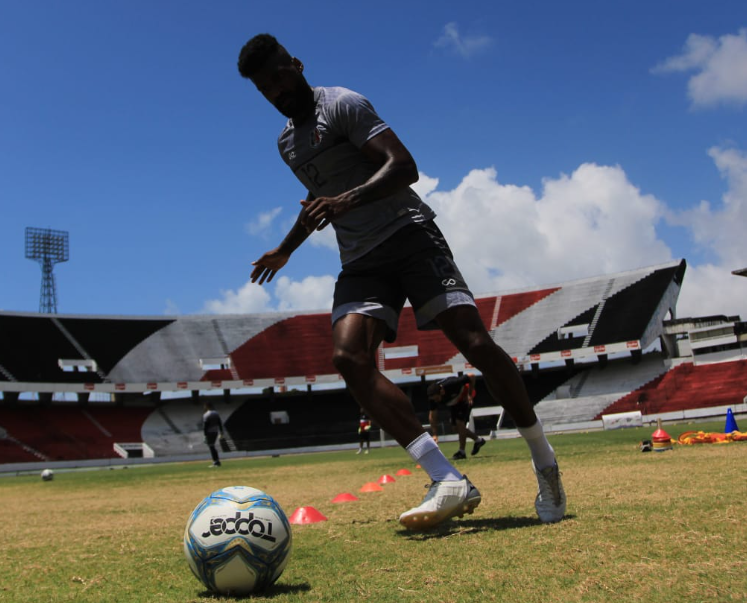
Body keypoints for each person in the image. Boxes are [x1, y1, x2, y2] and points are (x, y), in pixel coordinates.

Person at [238, 33, 566, 530]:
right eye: (265, 89)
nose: (277, 91)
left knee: (474, 343)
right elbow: (319, 201)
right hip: (362, 261)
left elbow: (404, 166)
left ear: (297, 64)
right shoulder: (287, 144)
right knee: (348, 357)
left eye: (280, 76)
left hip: (410, 236)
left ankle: (545, 461)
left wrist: (348, 200)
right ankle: (447, 478)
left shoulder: (343, 105)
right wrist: (286, 248)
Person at [428, 374, 485, 459]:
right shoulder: (433, 398)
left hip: (465, 398)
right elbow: (432, 416)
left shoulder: (452, 383)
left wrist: (469, 394)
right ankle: (478, 440)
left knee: (459, 423)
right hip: (454, 402)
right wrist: (435, 434)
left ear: (442, 392)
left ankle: (461, 452)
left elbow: (471, 376)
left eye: (437, 398)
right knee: (455, 428)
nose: (436, 401)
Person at [202, 401, 225, 467]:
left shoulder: (206, 414)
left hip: (209, 432)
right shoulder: (216, 413)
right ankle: (216, 461)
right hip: (215, 432)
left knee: (211, 446)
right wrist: (221, 432)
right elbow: (219, 423)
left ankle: (216, 462)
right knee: (212, 446)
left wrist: (205, 435)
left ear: (206, 406)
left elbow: (205, 426)